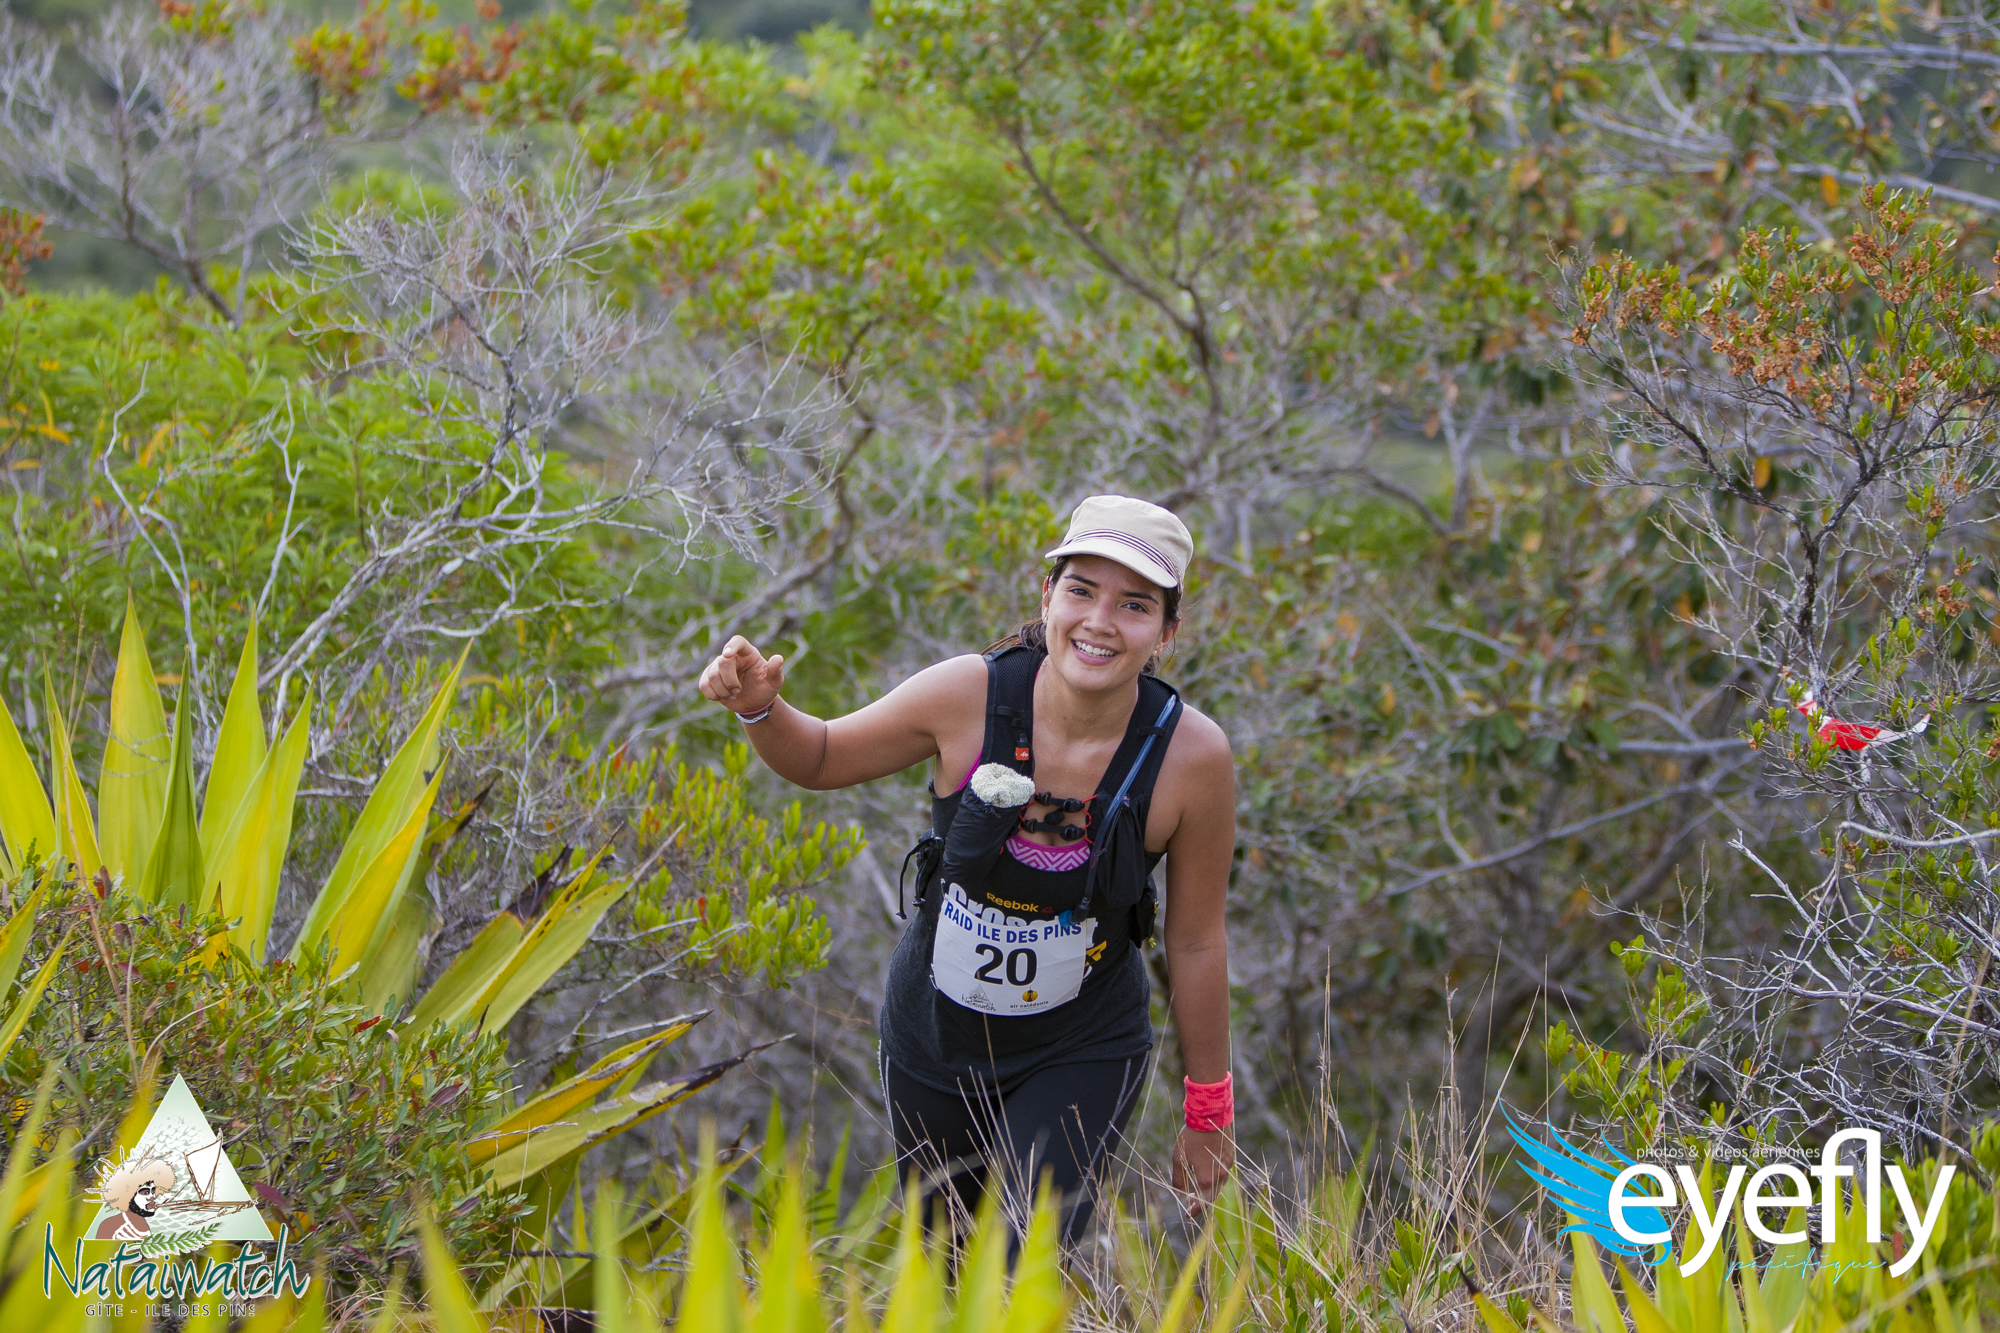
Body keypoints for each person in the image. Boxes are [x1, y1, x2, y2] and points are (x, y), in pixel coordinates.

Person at [697, 494, 1236, 1248]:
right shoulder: (967, 696)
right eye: (1081, 590)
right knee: (943, 1262)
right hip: (934, 1039)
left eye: (1135, 605)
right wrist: (761, 709)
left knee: (1024, 1262)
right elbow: (819, 756)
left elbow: (1198, 940)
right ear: (1047, 596)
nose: (1100, 622)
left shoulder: (1192, 758)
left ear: (1167, 631)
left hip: (1082, 1045)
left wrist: (1209, 1113)